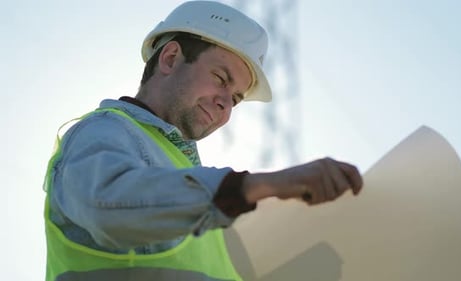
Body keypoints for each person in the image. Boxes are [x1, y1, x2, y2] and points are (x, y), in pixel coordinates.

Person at [43, 1, 363, 280]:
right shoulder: (104, 130)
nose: (226, 103)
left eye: (236, 99)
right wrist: (259, 185)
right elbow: (108, 204)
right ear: (170, 58)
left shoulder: (190, 185)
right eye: (221, 79)